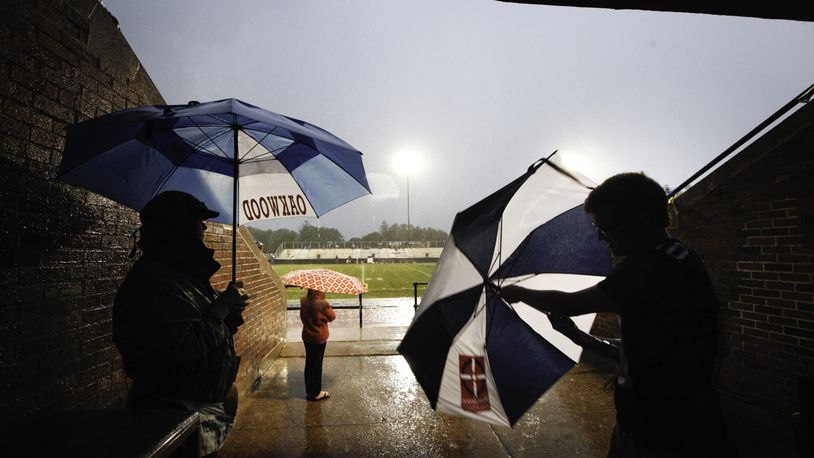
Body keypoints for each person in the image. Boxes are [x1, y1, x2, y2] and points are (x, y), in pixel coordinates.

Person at [500, 172, 737, 457]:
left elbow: (570, 305)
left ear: (638, 220)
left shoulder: (645, 268)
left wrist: (519, 293)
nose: (601, 238)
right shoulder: (679, 257)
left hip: (663, 434)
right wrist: (577, 336)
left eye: (606, 228)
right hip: (662, 424)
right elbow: (640, 352)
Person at [113, 191, 250, 457]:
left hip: (202, 408)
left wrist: (228, 312)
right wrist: (221, 308)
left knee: (209, 454)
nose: (204, 227)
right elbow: (185, 346)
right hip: (176, 414)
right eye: (199, 221)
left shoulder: (181, 274)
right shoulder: (153, 280)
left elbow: (211, 329)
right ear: (178, 226)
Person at [300, 288, 335, 401]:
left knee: (309, 363)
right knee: (317, 364)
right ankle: (316, 393)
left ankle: (309, 390)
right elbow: (332, 317)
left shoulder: (304, 302)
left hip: (307, 336)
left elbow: (302, 318)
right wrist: (327, 305)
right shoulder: (323, 304)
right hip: (319, 337)